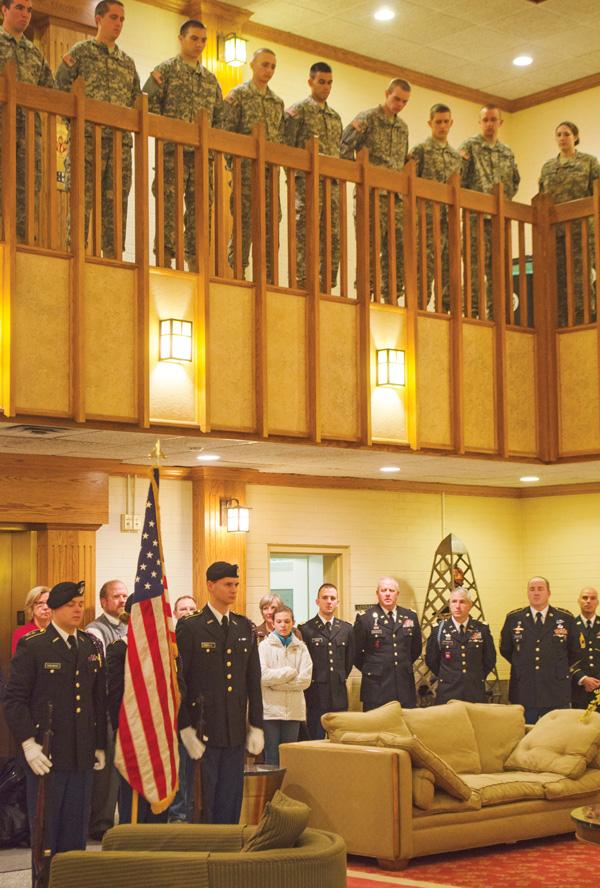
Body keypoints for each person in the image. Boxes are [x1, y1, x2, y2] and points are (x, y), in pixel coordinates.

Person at [4, 580, 106, 881]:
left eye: (79, 604)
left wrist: (98, 744)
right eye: (70, 605)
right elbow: (15, 699)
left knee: (76, 832)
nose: (77, 610)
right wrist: (27, 743)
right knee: (47, 832)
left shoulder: (89, 645)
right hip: (47, 755)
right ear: (54, 609)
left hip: (81, 753)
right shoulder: (34, 645)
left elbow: (96, 701)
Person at [176, 561, 264, 823]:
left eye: (236, 584)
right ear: (210, 586)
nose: (233, 590)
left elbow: (253, 680)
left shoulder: (243, 627)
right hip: (203, 728)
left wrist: (256, 724)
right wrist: (185, 727)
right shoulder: (191, 626)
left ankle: (228, 856)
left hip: (234, 729)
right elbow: (181, 681)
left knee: (230, 800)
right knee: (203, 802)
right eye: (228, 584)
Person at [55, 0, 141, 258]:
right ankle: (75, 255)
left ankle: (113, 258)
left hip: (118, 146)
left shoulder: (127, 63)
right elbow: (59, 87)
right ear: (99, 19)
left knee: (115, 204)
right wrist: (76, 123)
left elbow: (136, 103)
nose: (118, 24)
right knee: (82, 201)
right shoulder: (81, 52)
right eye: (114, 17)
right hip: (87, 140)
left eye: (122, 19)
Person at [144, 18, 224, 272]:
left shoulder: (211, 82)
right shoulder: (164, 72)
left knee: (201, 213)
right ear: (181, 39)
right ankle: (165, 263)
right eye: (194, 38)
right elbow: (148, 109)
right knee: (169, 210)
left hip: (201, 159)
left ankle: (196, 265)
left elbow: (220, 121)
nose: (199, 44)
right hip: (171, 154)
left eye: (203, 40)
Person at [341, 79, 411, 304]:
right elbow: (343, 145)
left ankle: (390, 295)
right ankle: (366, 293)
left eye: (404, 101)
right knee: (369, 246)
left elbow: (401, 161)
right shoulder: (367, 118)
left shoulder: (403, 128)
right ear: (387, 94)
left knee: (397, 247)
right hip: (370, 195)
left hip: (396, 198)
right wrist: (359, 175)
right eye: (396, 98)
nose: (399, 104)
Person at [223, 48, 285, 283]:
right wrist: (234, 166)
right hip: (245, 173)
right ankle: (238, 272)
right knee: (244, 222)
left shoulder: (277, 102)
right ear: (252, 65)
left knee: (271, 224)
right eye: (264, 65)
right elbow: (225, 132)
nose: (268, 70)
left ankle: (268, 279)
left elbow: (280, 139)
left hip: (270, 175)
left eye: (272, 66)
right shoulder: (237, 96)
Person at [105, 596, 168, 824]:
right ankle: (132, 844)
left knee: (159, 793)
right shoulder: (120, 648)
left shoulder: (164, 648)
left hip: (160, 731)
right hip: (132, 730)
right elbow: (114, 694)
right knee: (133, 795)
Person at [284, 62, 343, 292]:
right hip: (306, 185)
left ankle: (327, 284)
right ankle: (301, 282)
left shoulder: (335, 117)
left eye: (329, 83)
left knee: (333, 235)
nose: (326, 87)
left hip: (332, 187)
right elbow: (286, 146)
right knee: (305, 232)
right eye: (321, 82)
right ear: (310, 82)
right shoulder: (298, 111)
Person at [0, 0, 54, 242]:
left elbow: (52, 93)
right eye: (19, 7)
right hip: (2, 130)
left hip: (30, 136)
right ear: (4, 9)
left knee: (27, 193)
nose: (26, 14)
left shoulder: (35, 54)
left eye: (29, 10)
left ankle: (19, 249)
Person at [459, 105, 520, 319]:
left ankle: (499, 313)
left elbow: (514, 182)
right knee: (474, 266)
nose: (490, 124)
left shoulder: (507, 152)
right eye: (485, 120)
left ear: (500, 123)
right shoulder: (470, 146)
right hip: (475, 217)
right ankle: (473, 311)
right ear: (480, 122)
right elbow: (459, 178)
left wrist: (502, 203)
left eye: (494, 120)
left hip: (499, 220)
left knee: (500, 267)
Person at [538, 121, 600, 327]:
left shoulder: (589, 163)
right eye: (559, 134)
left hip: (581, 230)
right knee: (558, 277)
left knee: (580, 276)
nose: (562, 138)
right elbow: (542, 197)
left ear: (575, 136)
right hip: (555, 233)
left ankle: (584, 317)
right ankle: (562, 320)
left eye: (566, 134)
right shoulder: (548, 168)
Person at [500, 576, 579, 724]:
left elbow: (575, 650)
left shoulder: (565, 618)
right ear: (527, 593)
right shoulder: (514, 618)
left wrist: (557, 667)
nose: (536, 593)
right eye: (532, 589)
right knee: (525, 735)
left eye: (540, 589)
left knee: (557, 735)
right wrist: (523, 664)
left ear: (549, 593)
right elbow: (506, 649)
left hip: (555, 689)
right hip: (524, 689)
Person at [85, 579, 128, 840]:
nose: (122, 600)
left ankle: (126, 823)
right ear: (104, 602)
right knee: (108, 773)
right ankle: (101, 823)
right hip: (106, 710)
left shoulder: (127, 626)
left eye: (124, 596)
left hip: (127, 708)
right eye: (116, 596)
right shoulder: (95, 630)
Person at [408, 103, 461, 312]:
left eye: (446, 122)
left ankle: (445, 310)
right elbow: (409, 183)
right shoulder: (420, 151)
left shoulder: (456, 157)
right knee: (424, 266)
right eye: (438, 122)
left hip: (449, 222)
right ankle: (420, 308)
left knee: (449, 266)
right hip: (425, 220)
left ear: (451, 123)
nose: (442, 126)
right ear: (430, 123)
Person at [353, 575, 421, 711]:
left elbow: (415, 648)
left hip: (403, 685)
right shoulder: (366, 619)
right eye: (384, 590)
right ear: (377, 594)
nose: (388, 594)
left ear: (398, 594)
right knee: (376, 728)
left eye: (391, 590)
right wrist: (374, 669)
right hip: (376, 686)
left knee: (405, 727)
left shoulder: (410, 616)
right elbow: (355, 653)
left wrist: (400, 665)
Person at [299, 583, 354, 739]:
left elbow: (349, 660)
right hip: (315, 693)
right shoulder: (306, 629)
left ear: (338, 602)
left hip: (338, 693)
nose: (329, 601)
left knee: (339, 738)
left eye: (332, 598)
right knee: (315, 738)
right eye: (325, 598)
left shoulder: (346, 629)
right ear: (317, 601)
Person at [259, 604, 312, 765]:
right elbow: (263, 677)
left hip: (293, 710)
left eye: (287, 621)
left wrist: (275, 684)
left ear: (293, 622)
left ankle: (286, 789)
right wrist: (289, 672)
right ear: (273, 623)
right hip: (271, 711)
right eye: (279, 621)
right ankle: (272, 789)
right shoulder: (264, 647)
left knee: (289, 755)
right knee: (272, 755)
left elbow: (305, 681)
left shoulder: (301, 648)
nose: (283, 625)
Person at [425, 586, 496, 704]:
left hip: (474, 691)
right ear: (449, 604)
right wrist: (448, 676)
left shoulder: (481, 629)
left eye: (462, 602)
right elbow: (432, 660)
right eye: (454, 601)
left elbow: (490, 658)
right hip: (448, 691)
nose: (457, 606)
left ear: (470, 605)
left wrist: (475, 677)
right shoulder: (439, 630)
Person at [167, 593, 197, 823]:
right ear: (175, 614)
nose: (187, 612)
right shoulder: (170, 643)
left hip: (199, 713)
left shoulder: (200, 638)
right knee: (180, 766)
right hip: (176, 714)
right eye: (183, 609)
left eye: (191, 609)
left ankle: (192, 810)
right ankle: (178, 812)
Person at [571, 586, 600, 710]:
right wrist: (582, 678)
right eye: (585, 598)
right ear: (578, 601)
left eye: (592, 598)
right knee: (579, 727)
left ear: (597, 602)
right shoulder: (570, 626)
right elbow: (563, 657)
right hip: (577, 689)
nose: (588, 601)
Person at [11, 585, 50, 654]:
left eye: (49, 602)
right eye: (40, 603)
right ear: (31, 606)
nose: (45, 607)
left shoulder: (60, 630)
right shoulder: (21, 633)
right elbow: (18, 662)